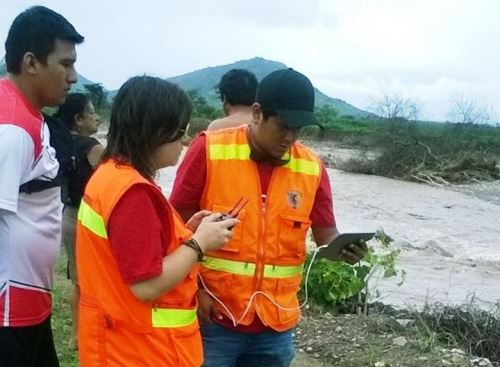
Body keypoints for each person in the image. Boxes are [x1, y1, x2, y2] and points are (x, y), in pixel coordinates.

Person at [170, 68, 368, 367]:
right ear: (258, 113)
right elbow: (174, 227)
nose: (290, 137)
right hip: (216, 318)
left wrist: (343, 250)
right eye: (283, 126)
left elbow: (326, 233)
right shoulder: (209, 149)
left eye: (299, 130)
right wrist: (194, 292)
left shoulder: (312, 168)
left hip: (276, 326)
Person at [76, 75, 238, 366]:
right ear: (154, 132)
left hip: (118, 341)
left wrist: (186, 234)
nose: (185, 140)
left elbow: (131, 251)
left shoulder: (111, 175)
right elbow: (146, 286)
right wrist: (200, 244)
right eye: (180, 131)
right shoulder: (134, 193)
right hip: (141, 350)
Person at [0, 6, 84, 367]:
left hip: (30, 302)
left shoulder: (28, 115)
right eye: (65, 64)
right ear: (31, 62)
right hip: (9, 308)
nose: (73, 77)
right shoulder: (12, 128)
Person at [54, 92, 104, 348]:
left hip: (67, 215)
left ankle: (76, 334)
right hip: (91, 218)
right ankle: (94, 333)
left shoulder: (60, 142)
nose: (96, 116)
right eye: (91, 111)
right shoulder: (91, 146)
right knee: (96, 279)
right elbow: (110, 177)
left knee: (77, 280)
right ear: (78, 119)